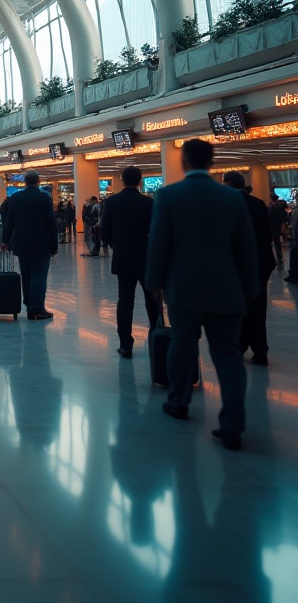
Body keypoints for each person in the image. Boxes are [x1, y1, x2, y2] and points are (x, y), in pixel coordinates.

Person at [145, 140, 258, 450]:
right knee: (228, 356)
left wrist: (154, 282)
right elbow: (247, 250)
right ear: (212, 162)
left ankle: (178, 401)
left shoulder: (168, 196)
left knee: (182, 345)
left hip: (184, 288)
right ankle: (232, 424)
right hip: (227, 290)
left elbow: (159, 244)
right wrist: (251, 289)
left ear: (183, 161)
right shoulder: (233, 198)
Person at [100, 166, 159, 359]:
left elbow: (105, 231)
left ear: (121, 179)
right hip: (147, 257)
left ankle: (126, 344)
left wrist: (115, 245)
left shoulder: (112, 202)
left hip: (124, 257)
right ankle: (155, 336)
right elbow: (156, 230)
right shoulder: (149, 203)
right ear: (140, 180)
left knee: (125, 301)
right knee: (152, 299)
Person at [222, 171, 274, 366]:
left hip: (237, 264)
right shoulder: (258, 204)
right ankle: (260, 350)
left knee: (238, 306)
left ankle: (240, 345)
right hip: (261, 261)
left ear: (227, 184)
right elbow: (266, 234)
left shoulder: (226, 205)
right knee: (258, 306)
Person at [1, 171, 58, 318]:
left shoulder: (16, 198)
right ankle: (37, 308)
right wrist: (54, 246)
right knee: (39, 275)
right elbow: (51, 224)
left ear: (25, 182)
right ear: (38, 181)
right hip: (40, 245)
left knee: (26, 276)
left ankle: (29, 304)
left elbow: (10, 222)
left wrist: (5, 241)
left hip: (21, 244)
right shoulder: (44, 198)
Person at [268, 196, 286, 268]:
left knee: (271, 244)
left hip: (271, 228)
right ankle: (279, 258)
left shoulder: (271, 208)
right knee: (277, 243)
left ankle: (274, 259)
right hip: (277, 228)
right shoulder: (279, 207)